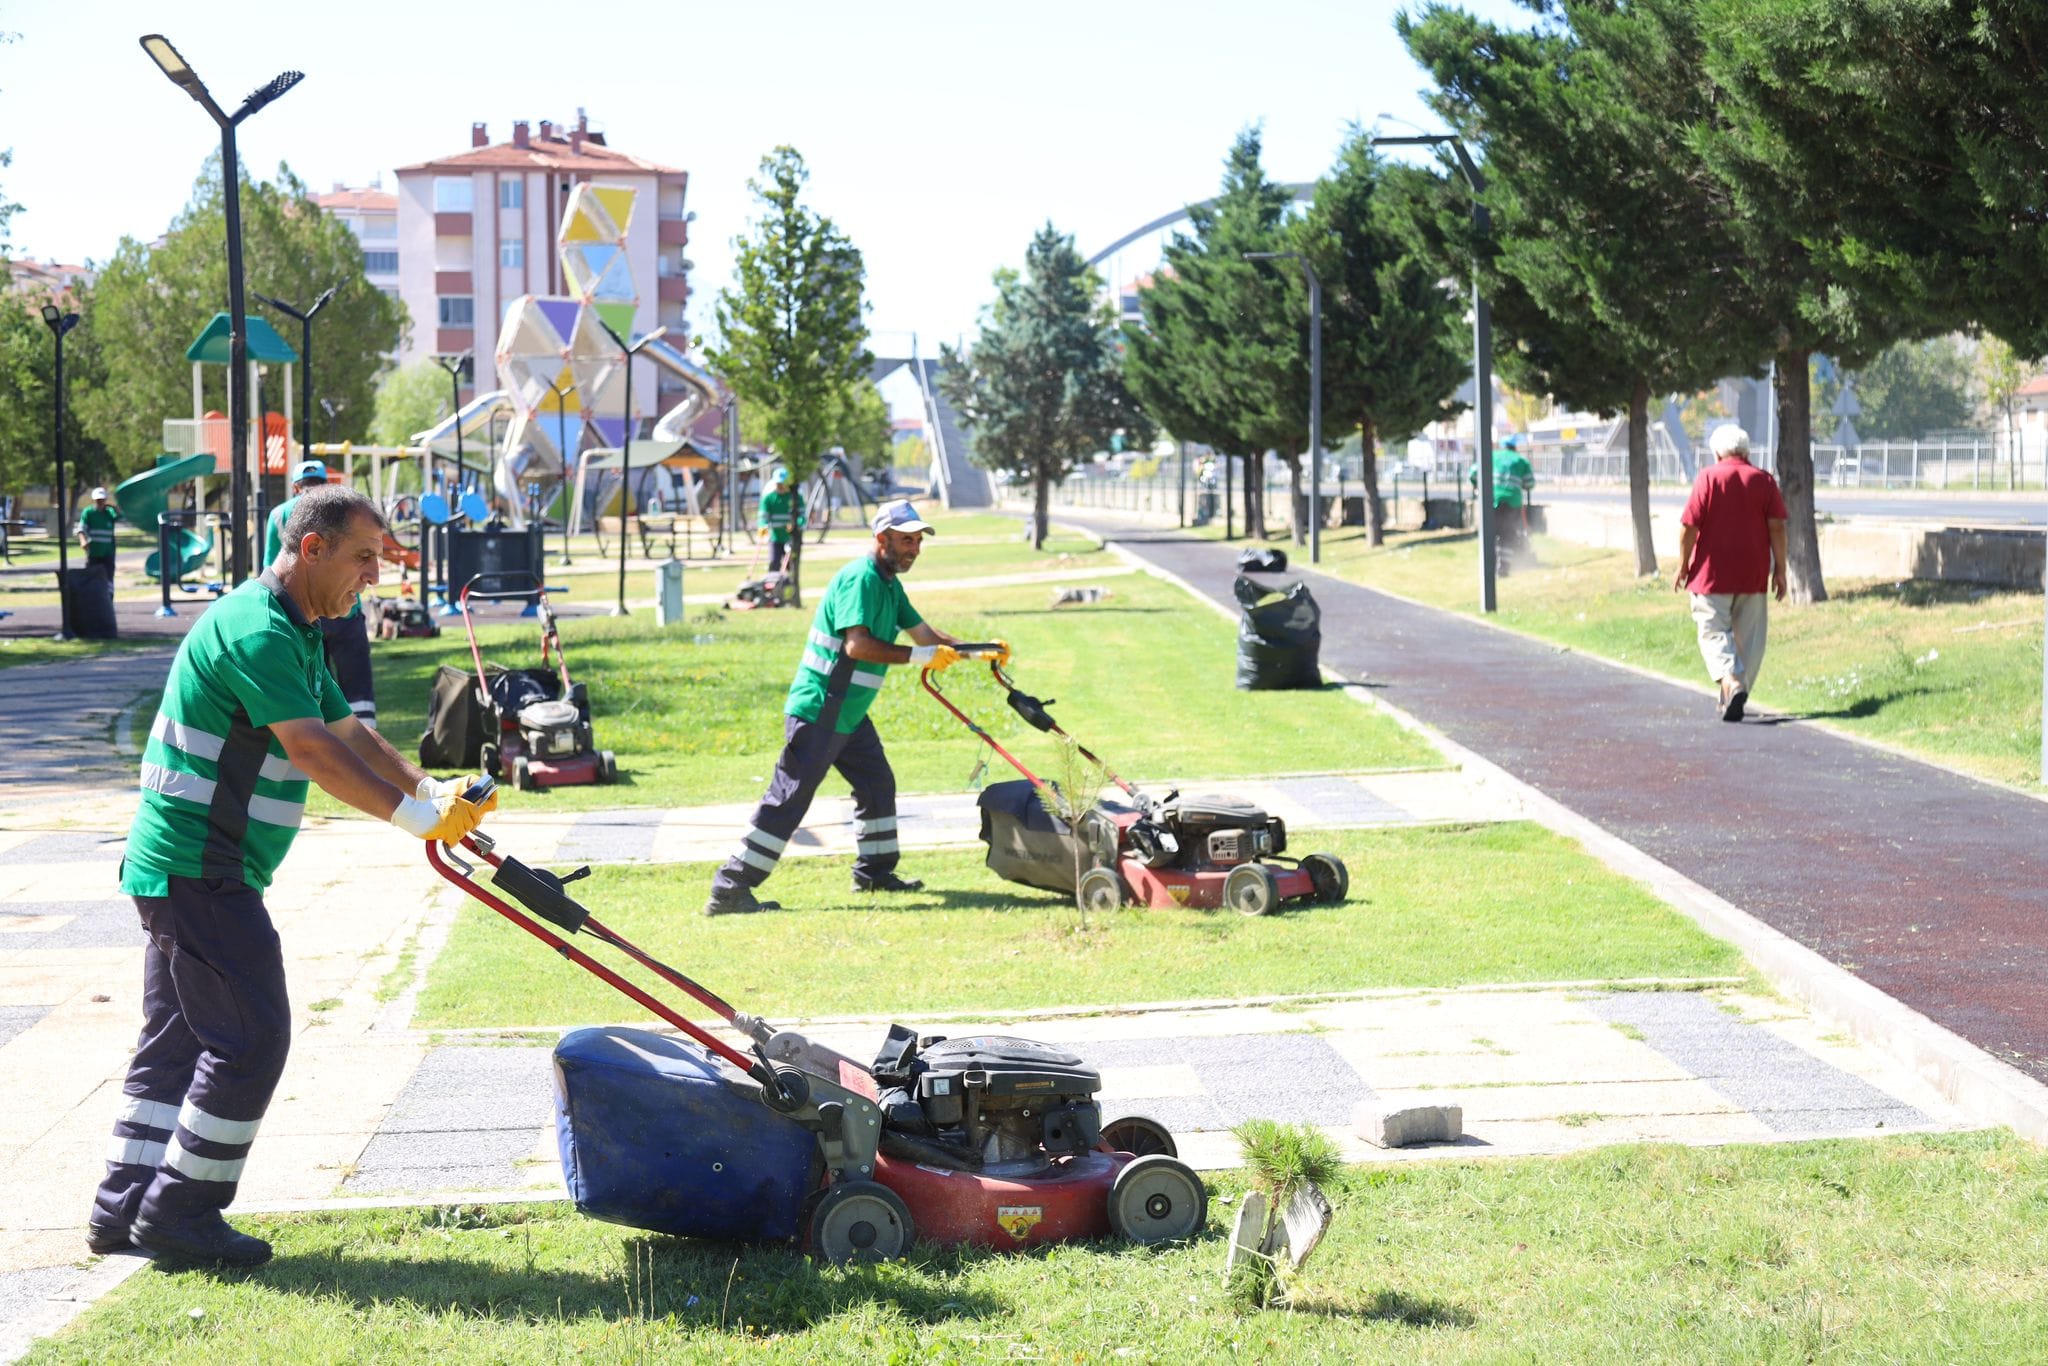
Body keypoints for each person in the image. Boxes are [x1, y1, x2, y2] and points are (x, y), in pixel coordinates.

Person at [89, 484, 496, 1266]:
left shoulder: (296, 627)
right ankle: (179, 1214)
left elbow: (355, 736)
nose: (374, 575)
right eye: (364, 557)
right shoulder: (257, 632)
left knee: (177, 1041)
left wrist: (431, 794)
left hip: (189, 867)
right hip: (199, 868)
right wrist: (412, 820)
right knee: (251, 1039)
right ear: (313, 550)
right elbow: (313, 751)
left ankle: (124, 1209)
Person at [704, 499, 996, 915]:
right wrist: (921, 658)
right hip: (823, 709)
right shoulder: (861, 579)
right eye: (905, 540)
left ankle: (875, 873)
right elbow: (857, 646)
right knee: (789, 799)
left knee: (877, 785)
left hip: (849, 714)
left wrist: (979, 652)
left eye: (917, 541)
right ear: (881, 539)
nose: (913, 548)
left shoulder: (889, 584)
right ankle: (730, 888)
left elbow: (926, 636)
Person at [1674, 423, 1788, 722]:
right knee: (1748, 639)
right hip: (1753, 573)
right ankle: (1733, 692)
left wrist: (1683, 564)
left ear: (1716, 452)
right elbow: (1777, 526)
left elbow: (1689, 526)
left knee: (1712, 631)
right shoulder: (1764, 480)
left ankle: (1731, 681)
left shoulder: (1709, 477)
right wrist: (1781, 571)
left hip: (1711, 574)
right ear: (1746, 451)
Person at [266, 461, 379, 729]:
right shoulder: (345, 514)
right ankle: (363, 734)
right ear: (326, 483)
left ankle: (328, 734)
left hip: (303, 614)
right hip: (344, 612)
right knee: (355, 681)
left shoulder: (279, 515)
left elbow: (271, 566)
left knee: (316, 684)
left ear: (296, 487)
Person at [758, 466, 805, 574]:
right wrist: (763, 526)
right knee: (774, 562)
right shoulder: (769, 498)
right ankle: (773, 584)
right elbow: (763, 516)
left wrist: (796, 525)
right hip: (775, 537)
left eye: (782, 484)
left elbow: (802, 516)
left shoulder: (796, 497)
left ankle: (789, 586)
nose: (780, 486)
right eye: (778, 484)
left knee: (791, 564)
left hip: (791, 537)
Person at [76, 486, 118, 587]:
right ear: (94, 500)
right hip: (93, 552)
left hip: (108, 552)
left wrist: (112, 507)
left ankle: (109, 598)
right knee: (92, 579)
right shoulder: (89, 512)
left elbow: (121, 514)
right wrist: (83, 541)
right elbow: (81, 528)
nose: (100, 502)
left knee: (108, 579)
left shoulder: (109, 513)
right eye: (98, 500)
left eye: (102, 500)